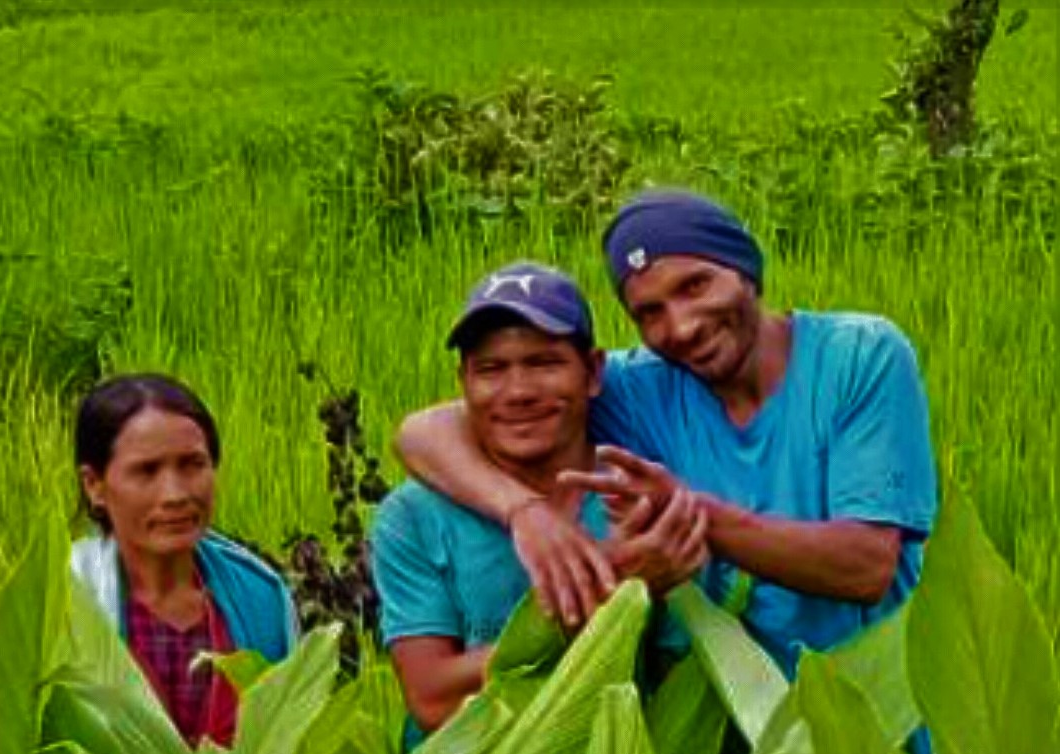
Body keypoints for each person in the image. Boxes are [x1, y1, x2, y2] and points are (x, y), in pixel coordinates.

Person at [391, 188, 938, 677]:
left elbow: (866, 565)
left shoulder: (859, 357)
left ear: (745, 269)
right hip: (721, 731)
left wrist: (690, 515)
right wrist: (523, 511)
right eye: (650, 312)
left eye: (696, 285)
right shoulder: (649, 386)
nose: (681, 326)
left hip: (866, 719)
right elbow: (425, 430)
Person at [369, 264, 708, 737]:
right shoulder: (411, 517)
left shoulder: (636, 496)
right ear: (463, 381)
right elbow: (433, 699)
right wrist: (617, 596)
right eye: (491, 369)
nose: (519, 391)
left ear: (592, 372)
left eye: (544, 364)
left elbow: (679, 688)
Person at [69, 373, 296, 748]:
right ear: (94, 485)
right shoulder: (67, 601)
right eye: (147, 471)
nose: (175, 493)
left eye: (192, 465)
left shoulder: (260, 597)